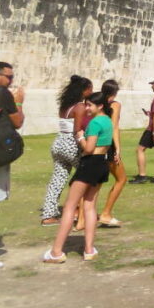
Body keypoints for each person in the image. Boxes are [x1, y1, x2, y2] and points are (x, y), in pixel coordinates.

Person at [43, 91, 112, 263]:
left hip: (90, 163)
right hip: (102, 164)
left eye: (90, 105)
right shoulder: (108, 121)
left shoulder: (95, 122)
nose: (87, 108)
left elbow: (88, 148)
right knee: (89, 206)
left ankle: (56, 251)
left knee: (69, 207)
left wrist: (80, 136)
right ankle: (89, 249)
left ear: (100, 106)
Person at [40, 75, 90, 225]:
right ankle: (78, 212)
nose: (91, 92)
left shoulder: (65, 106)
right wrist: (86, 147)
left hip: (58, 143)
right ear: (84, 90)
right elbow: (77, 130)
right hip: (71, 144)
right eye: (90, 89)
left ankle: (48, 215)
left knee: (57, 180)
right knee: (84, 176)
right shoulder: (80, 107)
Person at [0, 62, 25, 270]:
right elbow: (17, 122)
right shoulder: (3, 94)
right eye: (9, 77)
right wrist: (19, 103)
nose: (11, 81)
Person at [96, 80, 126, 228]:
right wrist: (118, 149)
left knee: (94, 183)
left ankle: (81, 215)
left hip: (95, 144)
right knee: (121, 179)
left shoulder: (96, 103)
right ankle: (106, 213)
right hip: (109, 146)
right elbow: (114, 127)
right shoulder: (115, 105)